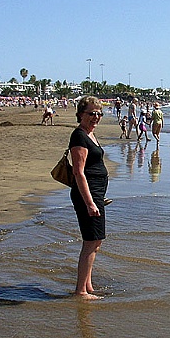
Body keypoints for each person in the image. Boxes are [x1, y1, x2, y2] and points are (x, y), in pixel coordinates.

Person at [68, 96, 109, 299]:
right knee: (91, 241)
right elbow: (78, 172)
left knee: (96, 240)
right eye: (91, 113)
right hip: (87, 196)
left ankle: (88, 284)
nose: (96, 117)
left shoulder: (90, 135)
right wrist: (90, 202)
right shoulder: (79, 137)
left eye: (99, 113)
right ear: (81, 114)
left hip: (96, 194)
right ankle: (81, 291)